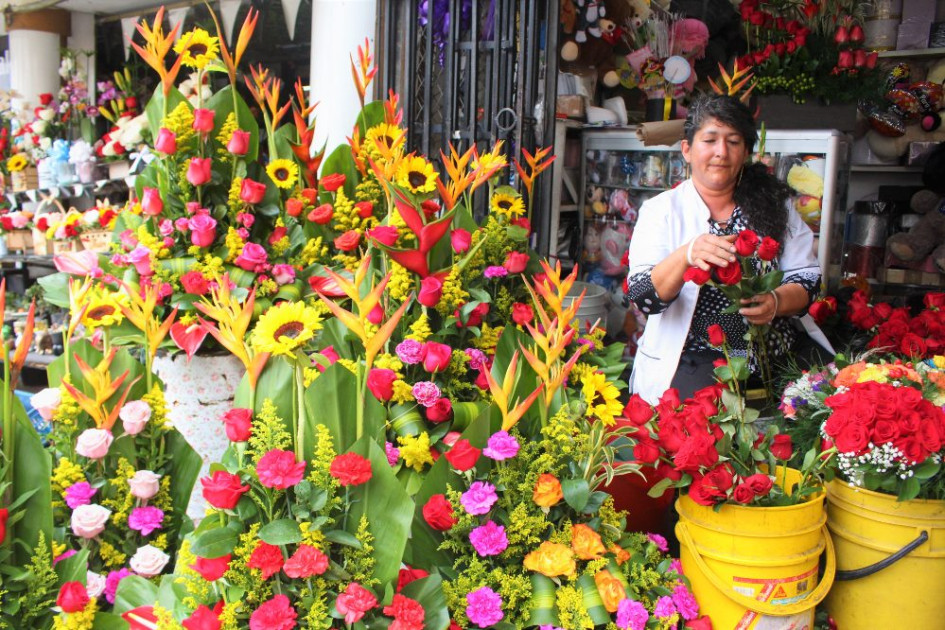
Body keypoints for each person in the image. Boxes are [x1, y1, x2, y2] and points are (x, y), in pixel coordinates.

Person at [625, 94, 832, 404]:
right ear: (687, 149)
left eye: (733, 142)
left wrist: (775, 301)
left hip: (775, 356)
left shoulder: (775, 207)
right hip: (694, 357)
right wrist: (687, 254)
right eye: (709, 140)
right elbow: (643, 297)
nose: (721, 152)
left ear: (745, 152)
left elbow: (808, 281)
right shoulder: (661, 211)